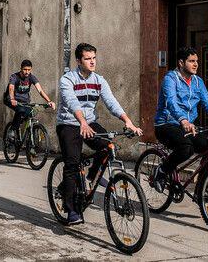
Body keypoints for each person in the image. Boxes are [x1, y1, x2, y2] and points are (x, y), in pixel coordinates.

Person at [57, 43, 143, 225]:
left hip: (90, 122)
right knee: (72, 164)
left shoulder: (99, 80)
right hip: (69, 123)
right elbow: (72, 102)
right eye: (87, 58)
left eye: (94, 58)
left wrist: (128, 121)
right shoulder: (68, 79)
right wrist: (82, 122)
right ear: (79, 60)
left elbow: (111, 102)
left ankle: (90, 177)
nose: (92, 62)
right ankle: (72, 210)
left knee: (108, 147)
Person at [152, 47, 208, 193]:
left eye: (196, 61)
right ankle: (162, 171)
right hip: (166, 124)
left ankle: (201, 190)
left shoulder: (198, 82)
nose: (196, 64)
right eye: (191, 61)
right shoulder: (170, 79)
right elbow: (171, 102)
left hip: (187, 126)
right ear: (181, 63)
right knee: (186, 147)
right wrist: (183, 120)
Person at [4, 59, 55, 140]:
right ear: (21, 68)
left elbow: (40, 90)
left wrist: (49, 101)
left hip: (24, 101)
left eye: (29, 70)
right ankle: (12, 130)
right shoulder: (14, 77)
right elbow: (11, 88)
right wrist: (12, 99)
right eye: (25, 69)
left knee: (31, 112)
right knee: (20, 110)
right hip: (11, 99)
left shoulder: (31, 77)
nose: (27, 72)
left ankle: (29, 142)